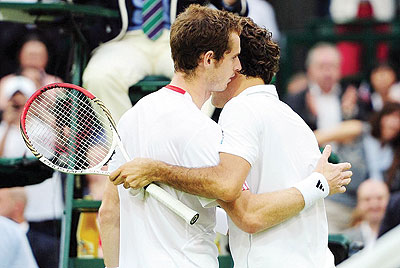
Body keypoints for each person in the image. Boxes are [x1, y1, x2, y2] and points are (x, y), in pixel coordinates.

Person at [109, 15, 352, 268]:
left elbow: (247, 213)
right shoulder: (294, 120)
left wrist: (155, 170)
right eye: (232, 58)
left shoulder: (240, 110)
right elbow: (241, 215)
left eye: (236, 59)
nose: (233, 67)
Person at [82, 0, 248, 122]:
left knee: (207, 68)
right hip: (123, 39)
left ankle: (185, 147)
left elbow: (236, 9)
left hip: (179, 36)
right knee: (99, 76)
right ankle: (128, 153)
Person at [344, 179, 389, 252]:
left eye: (379, 198)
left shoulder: (396, 233)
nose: (374, 204)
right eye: (367, 199)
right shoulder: (347, 240)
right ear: (358, 204)